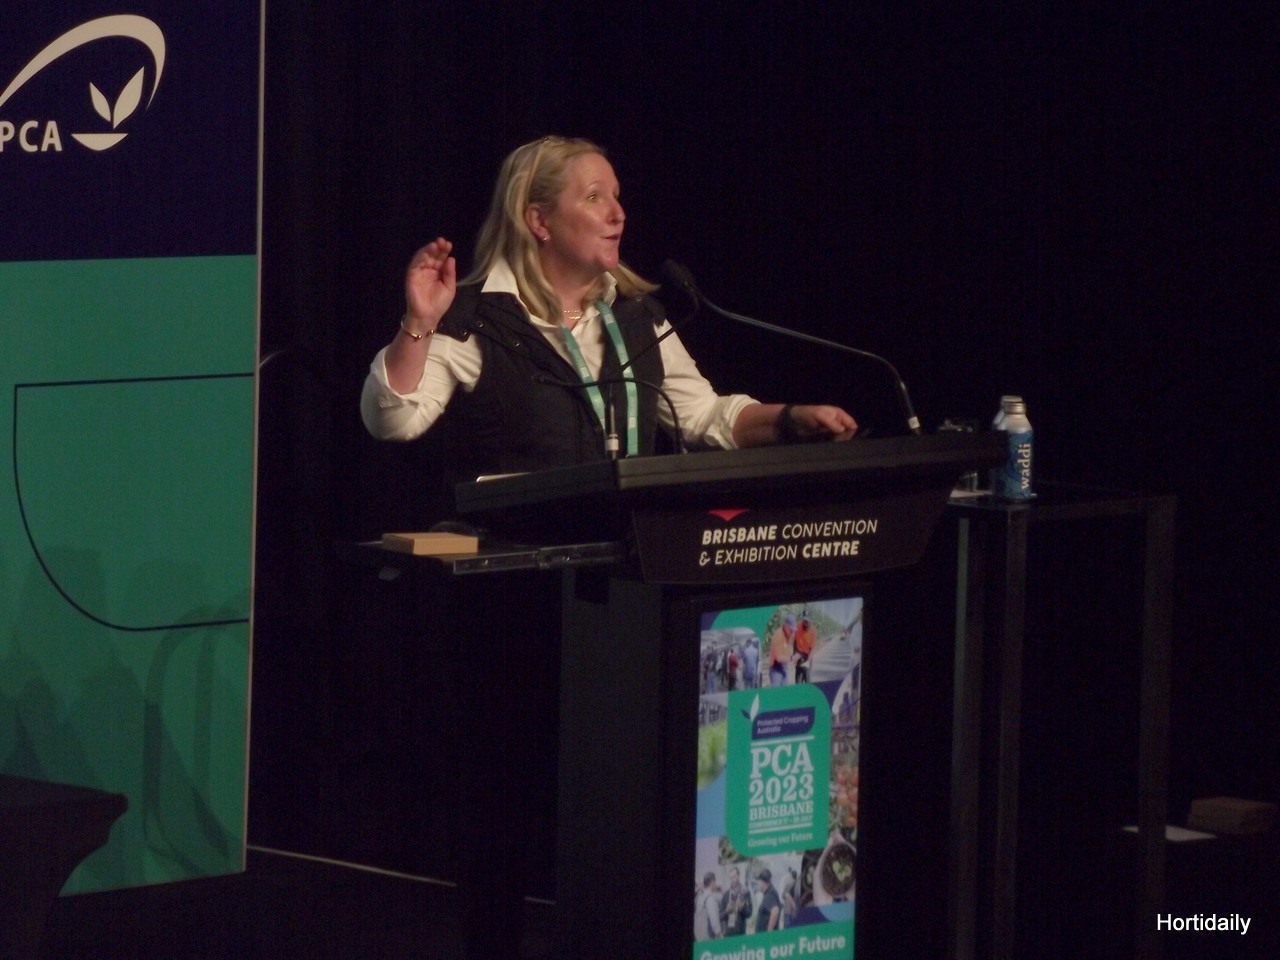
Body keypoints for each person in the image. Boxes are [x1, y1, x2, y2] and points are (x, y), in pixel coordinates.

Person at [361, 135, 857, 477]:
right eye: (595, 197)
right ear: (539, 221)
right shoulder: (476, 319)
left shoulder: (635, 316)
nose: (618, 214)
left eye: (616, 197)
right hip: (518, 576)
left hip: (625, 573)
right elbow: (392, 421)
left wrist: (790, 419)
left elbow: (704, 417)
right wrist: (419, 322)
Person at [720, 866, 753, 937]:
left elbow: (749, 914)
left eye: (734, 877)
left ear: (738, 876)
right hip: (728, 934)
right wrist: (727, 911)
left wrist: (743, 908)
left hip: (741, 933)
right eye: (731, 878)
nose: (732, 880)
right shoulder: (726, 894)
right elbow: (720, 916)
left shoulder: (746, 892)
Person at [694, 871, 723, 941]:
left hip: (698, 937)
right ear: (712, 883)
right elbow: (714, 919)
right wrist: (719, 934)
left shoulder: (698, 897)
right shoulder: (710, 899)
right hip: (707, 938)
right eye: (715, 882)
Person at [768, 614, 796, 687]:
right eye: (791, 630)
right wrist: (791, 658)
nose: (792, 632)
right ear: (786, 626)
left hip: (784, 667)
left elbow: (786, 650)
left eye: (793, 630)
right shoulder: (779, 635)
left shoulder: (788, 635)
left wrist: (792, 656)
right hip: (776, 669)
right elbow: (778, 658)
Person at [755, 868, 783, 933]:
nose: (758, 884)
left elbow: (775, 911)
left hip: (766, 936)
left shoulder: (770, 894)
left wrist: (769, 933)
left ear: (763, 882)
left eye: (759, 881)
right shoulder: (769, 892)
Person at [793, 613, 817, 684]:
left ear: (810, 620)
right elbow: (795, 641)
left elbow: (812, 649)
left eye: (807, 621)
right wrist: (794, 654)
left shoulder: (813, 631)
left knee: (807, 679)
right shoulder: (797, 626)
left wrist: (808, 662)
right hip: (799, 654)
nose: (805, 622)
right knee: (798, 682)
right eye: (804, 620)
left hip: (807, 656)